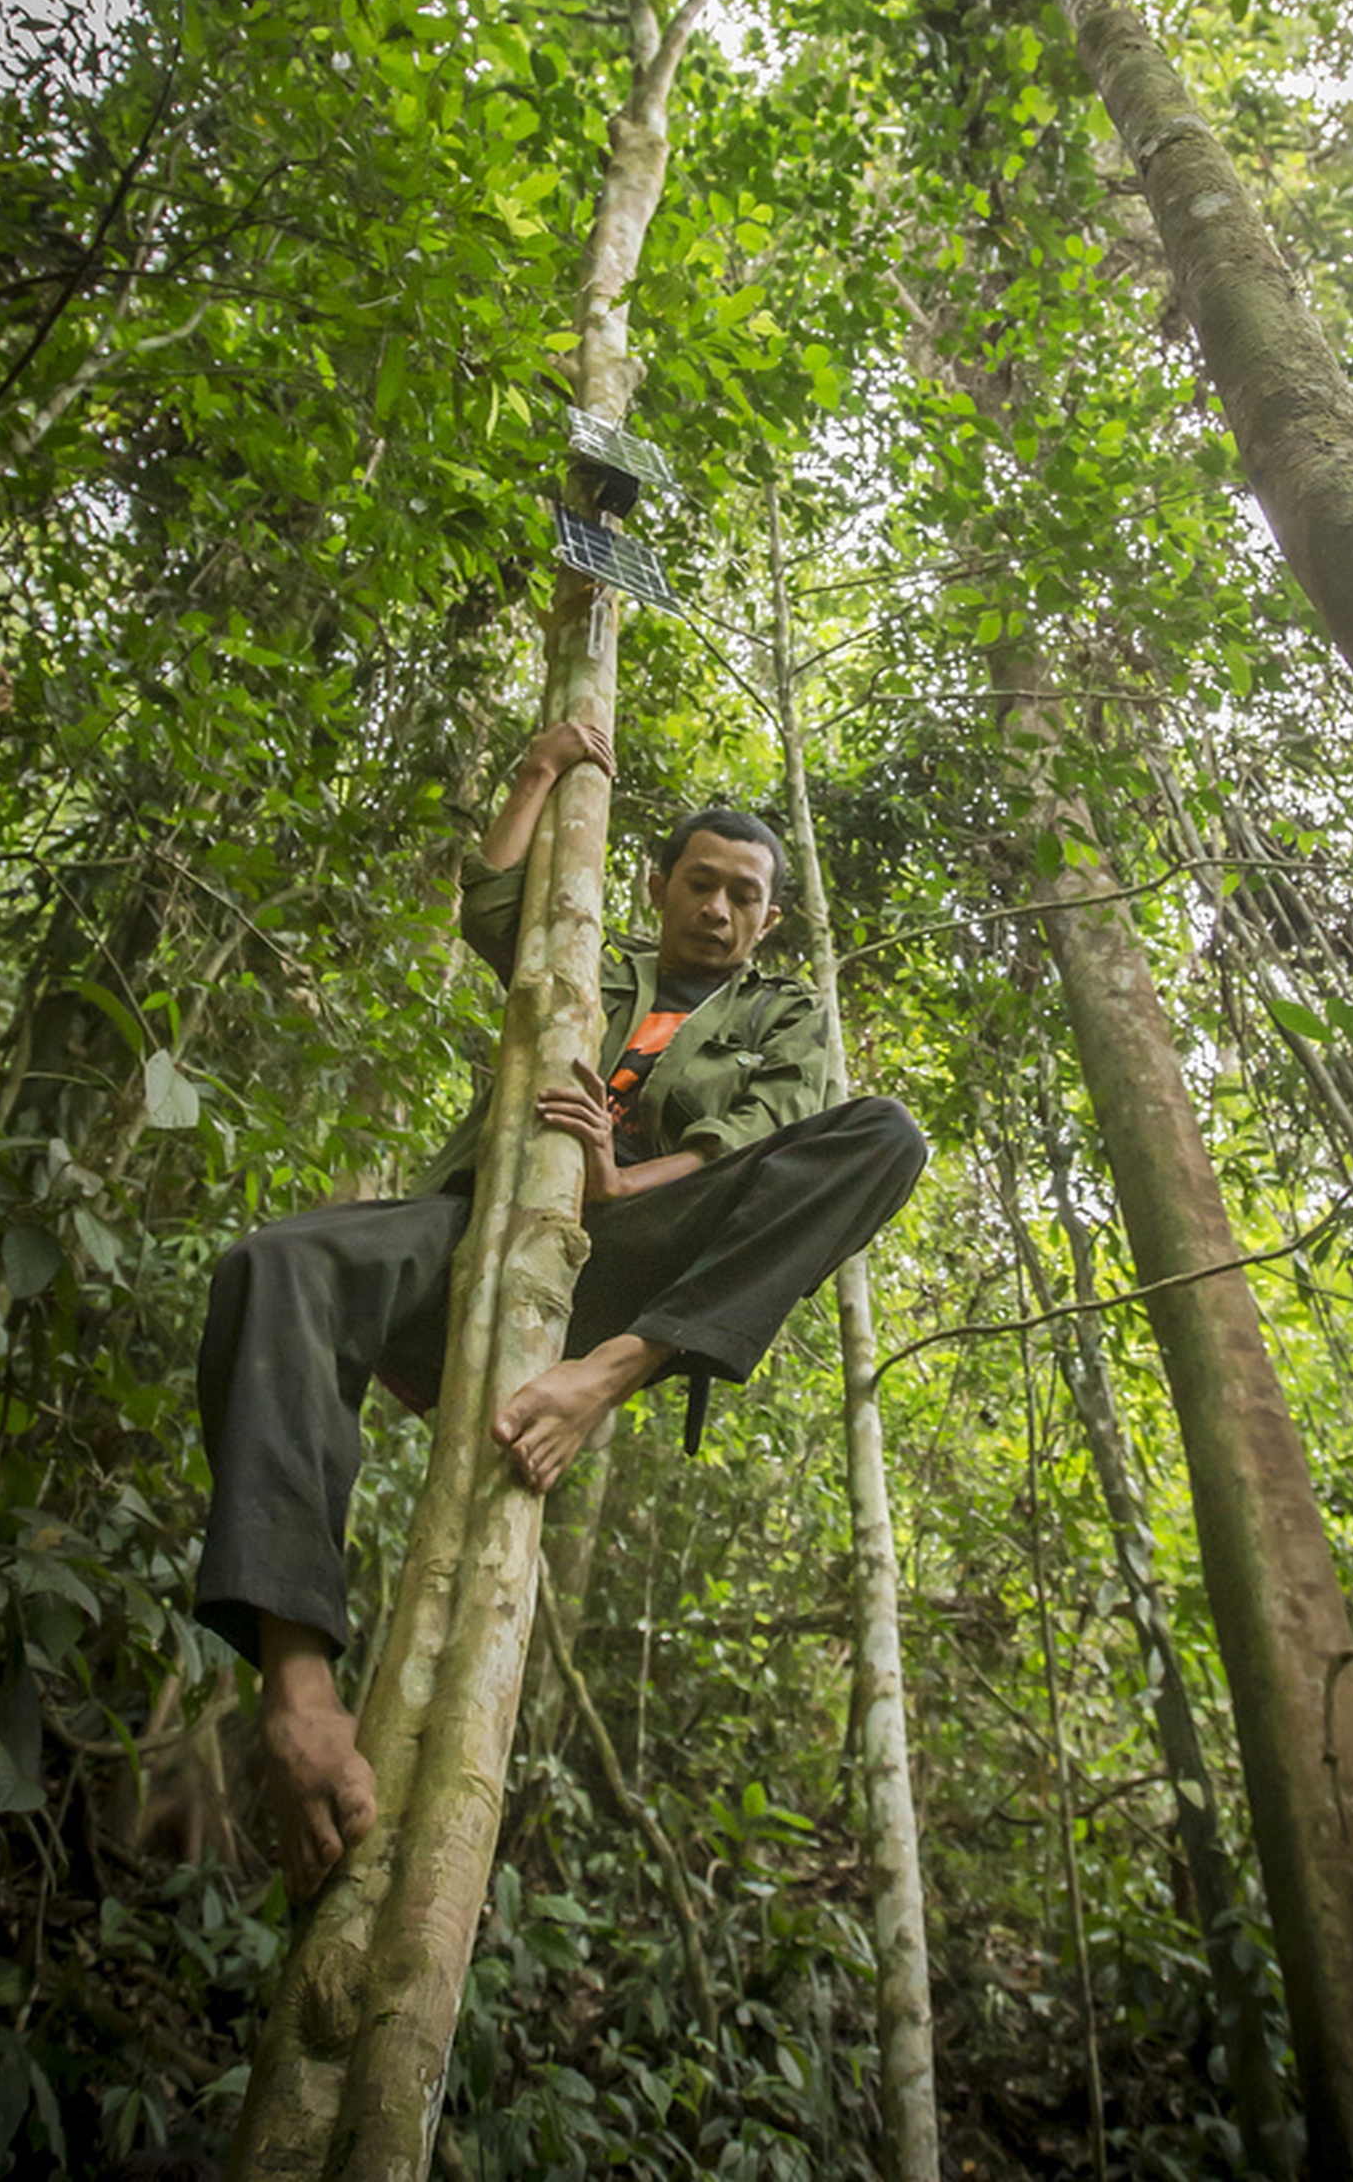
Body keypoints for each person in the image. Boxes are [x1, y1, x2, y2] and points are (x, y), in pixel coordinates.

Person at [194, 723, 927, 1897]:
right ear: (658, 884)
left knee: (888, 1134)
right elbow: (492, 903)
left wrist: (625, 1176)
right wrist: (538, 774)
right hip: (489, 1217)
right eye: (702, 884)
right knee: (273, 1262)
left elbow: (779, 1125)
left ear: (769, 919)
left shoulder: (778, 1017)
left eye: (747, 898)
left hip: (649, 1250)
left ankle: (617, 1369)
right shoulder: (588, 950)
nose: (722, 912)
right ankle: (296, 1680)